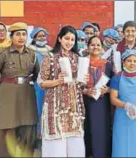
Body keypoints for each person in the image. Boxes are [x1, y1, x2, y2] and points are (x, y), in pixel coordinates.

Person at [0, 22, 39, 157]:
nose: (21, 37)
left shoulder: (32, 54)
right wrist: (4, 87)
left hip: (27, 94)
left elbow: (37, 74)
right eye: (18, 34)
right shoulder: (3, 54)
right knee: (7, 127)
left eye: (24, 34)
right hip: (7, 95)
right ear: (11, 37)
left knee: (28, 127)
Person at [38, 25, 88, 157]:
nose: (69, 42)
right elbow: (42, 83)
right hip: (54, 108)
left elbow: (80, 86)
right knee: (56, 146)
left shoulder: (77, 58)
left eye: (72, 40)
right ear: (60, 38)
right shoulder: (49, 57)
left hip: (73, 108)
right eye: (67, 38)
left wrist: (83, 80)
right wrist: (57, 81)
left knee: (75, 144)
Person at [110, 49, 136, 157]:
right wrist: (126, 105)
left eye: (135, 61)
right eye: (129, 60)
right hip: (122, 116)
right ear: (123, 62)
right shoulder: (117, 78)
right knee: (122, 143)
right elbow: (113, 98)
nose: (132, 63)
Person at [83, 36, 113, 157]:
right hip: (84, 101)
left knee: (100, 130)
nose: (95, 47)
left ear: (102, 47)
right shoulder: (82, 63)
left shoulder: (108, 65)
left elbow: (115, 85)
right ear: (88, 47)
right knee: (85, 129)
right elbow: (75, 83)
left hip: (101, 103)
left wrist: (108, 89)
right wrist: (85, 91)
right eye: (92, 45)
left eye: (98, 45)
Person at [28, 27, 52, 140]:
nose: (42, 38)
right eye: (39, 36)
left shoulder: (50, 50)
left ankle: (47, 133)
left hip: (50, 83)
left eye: (44, 36)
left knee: (47, 108)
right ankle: (38, 134)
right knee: (37, 108)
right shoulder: (30, 50)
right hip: (36, 84)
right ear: (34, 38)